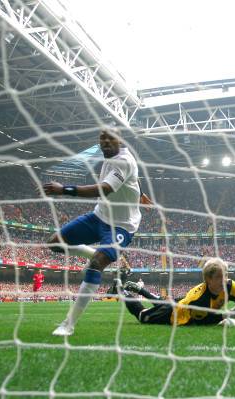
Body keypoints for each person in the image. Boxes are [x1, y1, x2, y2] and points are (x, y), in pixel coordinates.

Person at [44, 128, 149, 336]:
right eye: (102, 138)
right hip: (98, 216)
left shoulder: (124, 161)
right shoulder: (113, 157)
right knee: (55, 242)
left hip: (121, 225)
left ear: (120, 141)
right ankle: (93, 254)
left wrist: (64, 189)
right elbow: (131, 179)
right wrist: (141, 192)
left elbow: (104, 189)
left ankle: (68, 324)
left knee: (96, 265)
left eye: (111, 138)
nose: (106, 141)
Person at [122, 258, 235, 327]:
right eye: (219, 277)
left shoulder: (231, 286)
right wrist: (228, 315)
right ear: (208, 279)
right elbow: (205, 322)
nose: (224, 280)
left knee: (161, 301)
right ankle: (121, 291)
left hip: (184, 303)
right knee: (142, 316)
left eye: (226, 275)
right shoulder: (199, 300)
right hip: (173, 314)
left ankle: (140, 290)